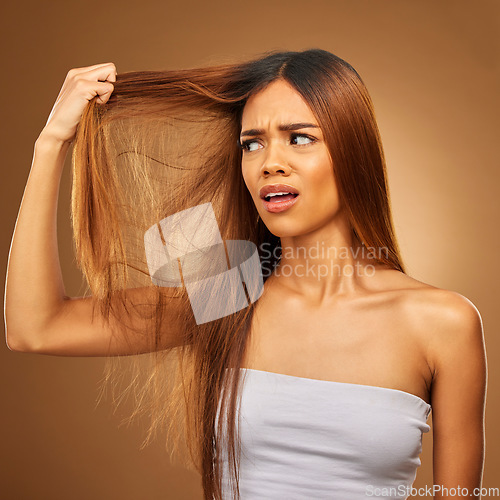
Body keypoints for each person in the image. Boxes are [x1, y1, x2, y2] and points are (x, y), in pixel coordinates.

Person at [4, 49, 487, 499]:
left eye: (300, 138)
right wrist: (50, 144)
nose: (270, 163)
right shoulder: (230, 293)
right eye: (252, 144)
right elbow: (36, 327)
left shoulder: (441, 322)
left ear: (353, 151)